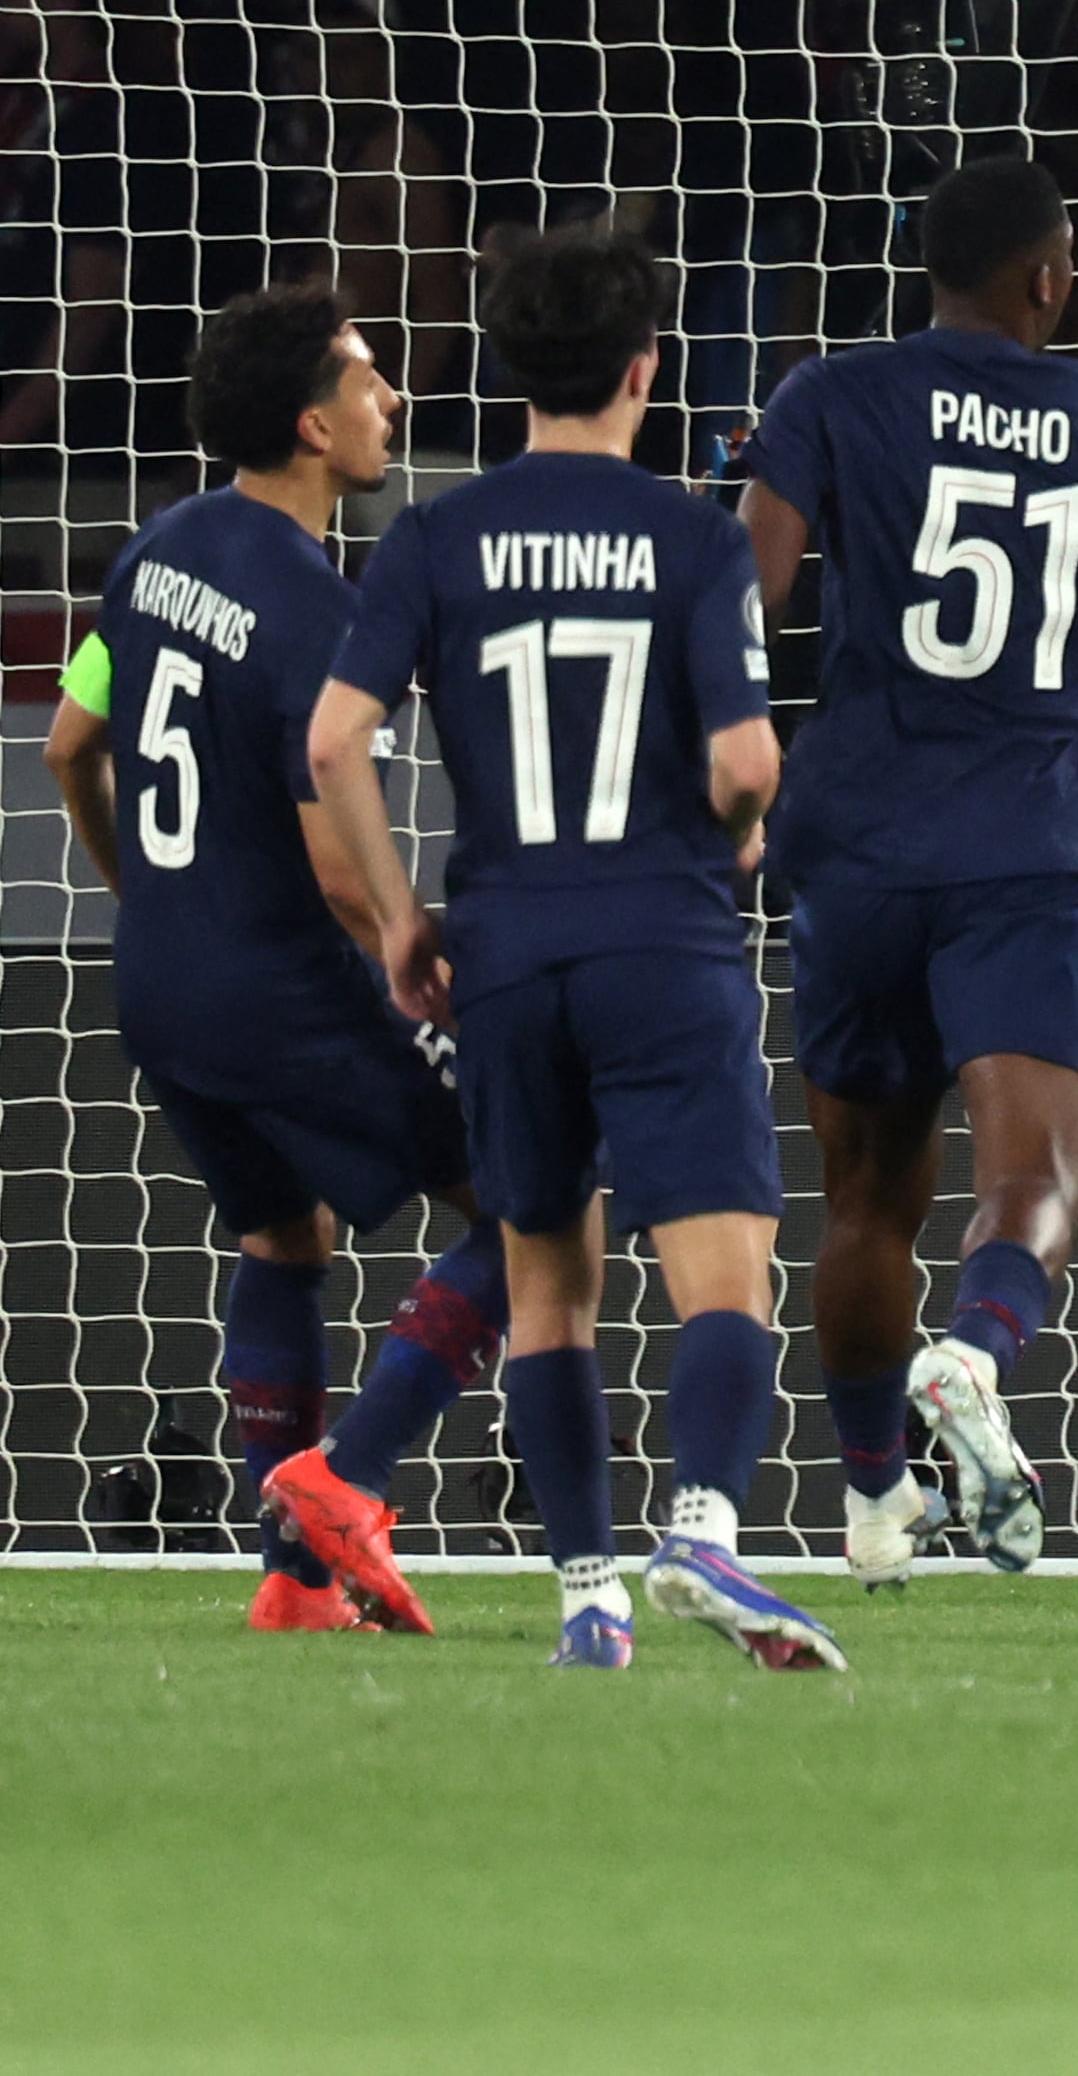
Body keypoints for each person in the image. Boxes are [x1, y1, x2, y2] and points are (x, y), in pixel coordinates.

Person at [307, 221, 840, 1672]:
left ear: (506, 366)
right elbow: (743, 763)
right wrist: (735, 817)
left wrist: (407, 913)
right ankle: (709, 1530)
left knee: (547, 1279)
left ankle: (584, 1597)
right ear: (644, 369)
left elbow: (335, 738)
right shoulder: (692, 533)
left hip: (507, 952)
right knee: (724, 1267)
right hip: (660, 939)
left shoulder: (432, 533)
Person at [739, 157, 1078, 1588]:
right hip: (1020, 840)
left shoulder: (830, 393)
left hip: (857, 838)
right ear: (1048, 275)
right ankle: (975, 1359)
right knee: (1037, 1170)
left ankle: (874, 1499)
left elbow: (748, 587)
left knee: (867, 1204)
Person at [42, 287, 505, 1635]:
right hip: (280, 992)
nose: (392, 401)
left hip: (160, 985)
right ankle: (344, 1479)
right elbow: (337, 874)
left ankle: (296, 1586)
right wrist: (419, 958)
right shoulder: (312, 601)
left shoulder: (152, 550)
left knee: (281, 1236)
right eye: (369, 380)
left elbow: (73, 741)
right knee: (538, 1202)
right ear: (313, 423)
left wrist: (142, 888)